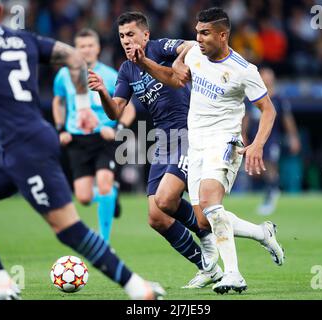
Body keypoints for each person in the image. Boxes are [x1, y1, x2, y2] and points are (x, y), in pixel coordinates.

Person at [0, 0, 163, 300]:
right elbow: (73, 57)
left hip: (27, 146)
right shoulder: (26, 38)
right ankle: (1, 283)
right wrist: (85, 107)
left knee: (69, 230)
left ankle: (137, 288)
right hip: (16, 145)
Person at [125, 7, 285, 294]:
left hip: (224, 142)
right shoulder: (195, 55)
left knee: (211, 203)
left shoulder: (244, 70)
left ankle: (233, 274)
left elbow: (268, 109)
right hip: (195, 143)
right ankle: (263, 233)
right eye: (197, 32)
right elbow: (172, 79)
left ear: (223, 35)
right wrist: (146, 63)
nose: (197, 38)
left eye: (205, 33)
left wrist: (257, 144)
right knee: (204, 219)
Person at [88, 11, 222, 289]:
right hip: (162, 140)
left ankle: (209, 236)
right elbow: (115, 112)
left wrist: (177, 61)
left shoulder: (159, 47)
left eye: (131, 35)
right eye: (122, 36)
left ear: (145, 35)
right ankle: (207, 265)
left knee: (166, 199)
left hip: (187, 132)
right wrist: (102, 90)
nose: (126, 41)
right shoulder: (126, 69)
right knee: (156, 217)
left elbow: (190, 45)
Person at [52, 28, 135, 243]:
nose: (86, 50)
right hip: (78, 139)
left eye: (90, 45)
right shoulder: (64, 75)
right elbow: (58, 101)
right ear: (75, 50)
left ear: (97, 48)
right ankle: (110, 197)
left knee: (104, 183)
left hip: (104, 137)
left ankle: (104, 243)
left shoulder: (109, 75)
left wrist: (117, 130)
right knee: (84, 197)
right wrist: (61, 128)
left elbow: (130, 108)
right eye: (82, 46)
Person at [243, 67, 301, 215]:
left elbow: (288, 120)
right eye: (265, 76)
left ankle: (272, 193)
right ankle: (272, 189)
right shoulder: (252, 98)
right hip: (255, 139)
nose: (267, 79)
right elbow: (246, 119)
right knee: (257, 170)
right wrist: (243, 134)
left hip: (271, 139)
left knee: (270, 166)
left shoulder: (278, 99)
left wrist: (293, 137)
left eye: (270, 76)